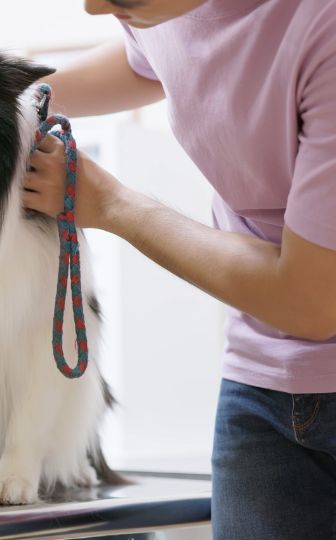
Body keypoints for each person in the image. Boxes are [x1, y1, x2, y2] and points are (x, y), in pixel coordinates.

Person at [23, 0, 336, 537]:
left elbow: (310, 301)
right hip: (258, 384)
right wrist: (7, 86)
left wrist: (112, 205)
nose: (95, 9)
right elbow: (150, 56)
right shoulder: (165, 14)